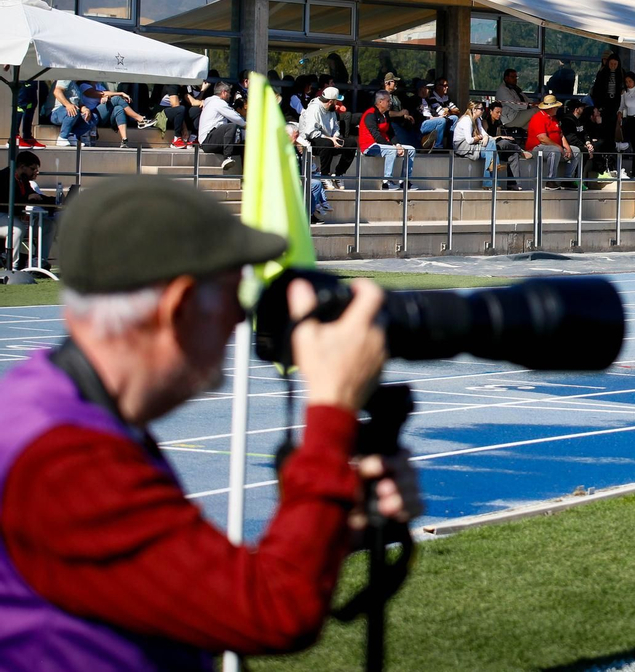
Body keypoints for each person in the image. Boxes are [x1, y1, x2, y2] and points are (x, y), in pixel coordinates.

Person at [0, 176, 418, 666]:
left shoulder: (61, 409)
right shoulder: (63, 461)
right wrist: (333, 405)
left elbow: (187, 583)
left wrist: (334, 521)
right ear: (178, 306)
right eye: (230, 295)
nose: (241, 322)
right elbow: (273, 611)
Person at [1, 150, 59, 269]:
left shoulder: (23, 180)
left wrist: (56, 201)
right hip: (2, 215)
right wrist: (26, 198)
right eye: (32, 169)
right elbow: (6, 199)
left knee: (49, 226)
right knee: (17, 229)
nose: (35, 172)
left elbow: (35, 197)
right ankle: (12, 267)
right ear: (22, 167)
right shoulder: (3, 177)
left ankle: (39, 263)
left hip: (16, 217)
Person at [358, 91, 415, 189]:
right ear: (380, 102)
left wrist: (397, 144)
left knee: (411, 150)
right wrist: (392, 147)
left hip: (385, 145)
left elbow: (391, 133)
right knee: (392, 151)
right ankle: (386, 182)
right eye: (388, 101)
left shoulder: (385, 115)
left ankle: (404, 181)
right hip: (370, 146)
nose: (390, 103)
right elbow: (376, 136)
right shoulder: (370, 114)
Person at [298, 86, 355, 184]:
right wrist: (331, 139)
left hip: (329, 139)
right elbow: (311, 132)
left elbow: (336, 127)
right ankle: (324, 176)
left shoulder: (331, 110)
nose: (337, 104)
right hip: (311, 141)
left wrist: (335, 137)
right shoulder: (314, 109)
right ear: (331, 101)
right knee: (327, 143)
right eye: (336, 101)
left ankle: (339, 174)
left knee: (351, 143)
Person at [523, 93, 576, 187]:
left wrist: (567, 148)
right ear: (551, 108)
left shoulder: (554, 119)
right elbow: (542, 138)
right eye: (556, 107)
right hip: (536, 148)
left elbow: (561, 135)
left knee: (576, 151)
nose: (557, 109)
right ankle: (550, 180)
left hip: (555, 147)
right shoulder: (538, 118)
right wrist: (559, 147)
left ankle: (568, 179)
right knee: (554, 151)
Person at [198, 81, 247, 171]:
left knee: (242, 147)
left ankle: (245, 175)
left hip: (209, 141)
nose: (230, 95)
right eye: (229, 93)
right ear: (224, 92)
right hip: (208, 141)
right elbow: (235, 118)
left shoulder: (210, 102)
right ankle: (227, 158)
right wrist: (246, 125)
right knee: (231, 126)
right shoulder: (218, 103)